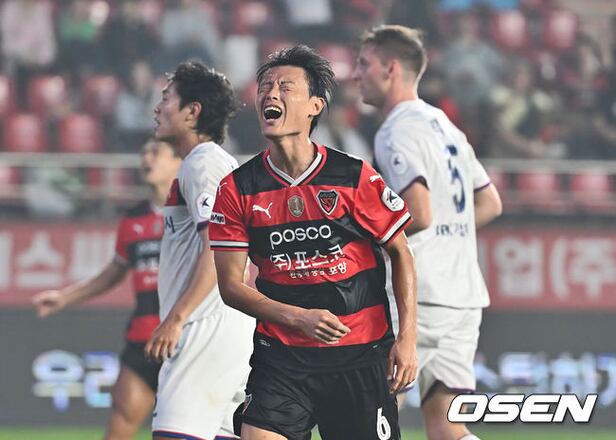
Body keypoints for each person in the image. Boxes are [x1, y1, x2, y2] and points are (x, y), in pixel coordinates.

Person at [210, 45, 418, 440]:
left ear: (315, 106)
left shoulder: (353, 176)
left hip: (360, 353)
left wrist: (407, 339)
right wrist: (297, 318)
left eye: (285, 87)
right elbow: (230, 286)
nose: (270, 94)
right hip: (282, 358)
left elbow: (400, 251)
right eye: (265, 87)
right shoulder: (236, 188)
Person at [353, 25, 503, 440]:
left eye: (364, 64)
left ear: (390, 68)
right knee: (447, 428)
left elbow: (417, 213)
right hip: (462, 297)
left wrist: (359, 238)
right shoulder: (445, 126)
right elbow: (491, 203)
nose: (356, 73)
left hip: (416, 296)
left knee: (370, 417)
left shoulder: (395, 131)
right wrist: (450, 228)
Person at [32, 139, 182, 440]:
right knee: (120, 422)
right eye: (143, 153)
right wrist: (64, 298)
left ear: (179, 162)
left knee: (183, 428)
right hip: (142, 340)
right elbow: (114, 271)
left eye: (155, 153)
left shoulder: (194, 214)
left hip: (185, 341)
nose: (146, 159)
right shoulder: (133, 219)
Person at [145, 60, 254, 440]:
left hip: (203, 328)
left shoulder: (203, 163)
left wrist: (177, 317)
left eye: (166, 99)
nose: (158, 108)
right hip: (227, 327)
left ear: (193, 111)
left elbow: (218, 245)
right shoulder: (216, 163)